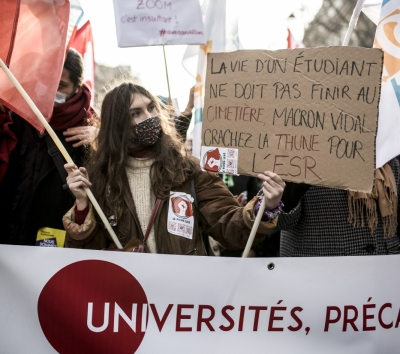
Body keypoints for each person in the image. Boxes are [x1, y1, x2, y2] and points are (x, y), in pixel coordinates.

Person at [63, 82, 285, 254]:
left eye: (151, 108)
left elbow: (229, 228)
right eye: (136, 113)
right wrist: (82, 204)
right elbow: (84, 256)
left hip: (181, 295)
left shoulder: (188, 170)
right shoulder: (100, 178)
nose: (150, 117)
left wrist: (265, 207)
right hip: (128, 296)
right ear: (117, 123)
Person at [0, 48, 96, 246]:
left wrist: (101, 138)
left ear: (77, 88)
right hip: (10, 229)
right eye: (48, 80)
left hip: (55, 236)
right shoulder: (20, 112)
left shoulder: (89, 125)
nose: (52, 90)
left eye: (61, 85)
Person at [260, 162, 400, 257]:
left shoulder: (386, 153)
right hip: (320, 275)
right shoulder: (299, 151)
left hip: (382, 275)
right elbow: (279, 222)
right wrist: (282, 198)